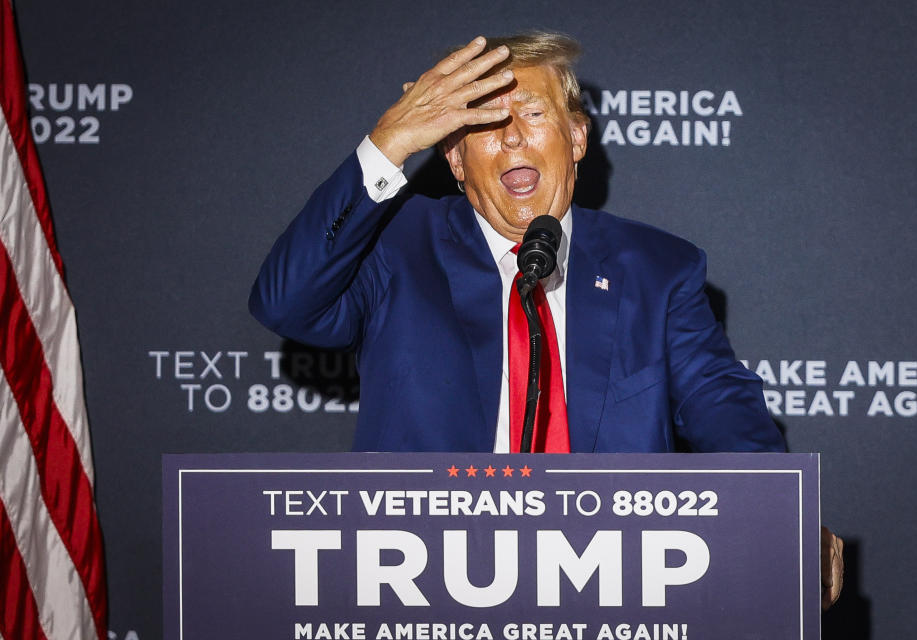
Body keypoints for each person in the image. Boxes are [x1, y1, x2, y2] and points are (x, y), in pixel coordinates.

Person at [249, 31, 842, 608]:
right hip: (424, 590)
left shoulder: (657, 270)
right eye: (482, 123)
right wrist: (390, 142)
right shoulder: (397, 244)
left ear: (577, 137)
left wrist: (777, 512)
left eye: (531, 113)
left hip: (610, 588)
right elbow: (286, 304)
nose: (510, 138)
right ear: (453, 157)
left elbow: (721, 405)